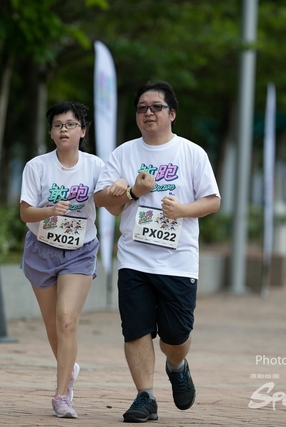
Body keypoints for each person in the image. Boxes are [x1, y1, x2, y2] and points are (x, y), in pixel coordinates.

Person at [94, 81, 220, 423]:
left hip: (178, 260)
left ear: (172, 114)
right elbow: (104, 202)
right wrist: (132, 192)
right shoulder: (123, 154)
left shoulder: (192, 153)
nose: (148, 112)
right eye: (141, 108)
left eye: (156, 107)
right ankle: (145, 396)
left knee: (175, 335)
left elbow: (212, 200)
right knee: (135, 329)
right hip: (134, 258)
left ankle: (177, 365)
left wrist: (182, 210)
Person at [19, 101, 107, 419]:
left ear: (83, 131)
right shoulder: (37, 167)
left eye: (70, 124)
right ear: (51, 132)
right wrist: (49, 211)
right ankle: (70, 368)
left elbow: (108, 198)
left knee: (67, 319)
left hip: (80, 251)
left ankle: (61, 396)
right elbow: (25, 212)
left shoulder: (96, 166)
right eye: (57, 125)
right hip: (41, 250)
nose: (63, 130)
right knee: (53, 326)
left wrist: (125, 189)